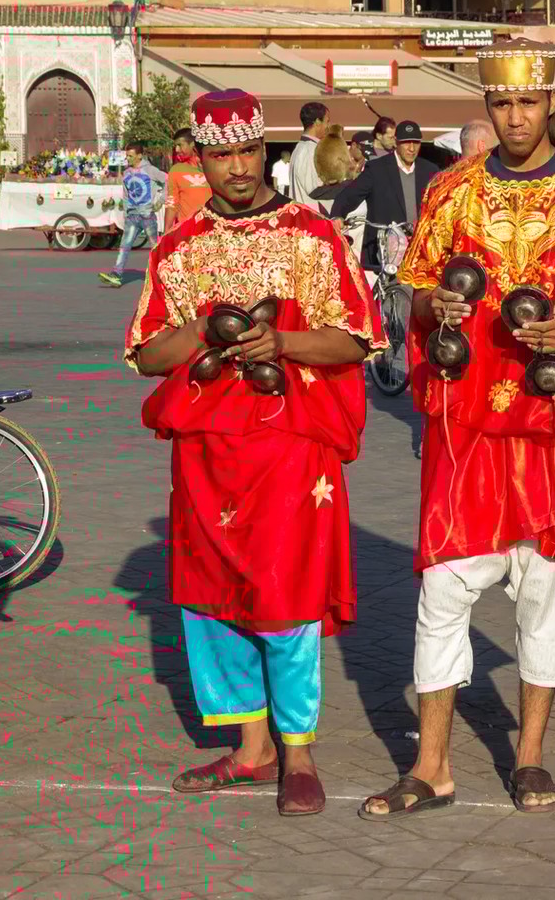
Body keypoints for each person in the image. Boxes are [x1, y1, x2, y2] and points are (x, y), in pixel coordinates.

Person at [360, 41, 555, 821]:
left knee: (549, 599)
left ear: (550, 101)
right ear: (486, 106)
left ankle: (529, 756)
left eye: (527, 103)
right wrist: (435, 311)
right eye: (500, 104)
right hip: (470, 434)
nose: (514, 117)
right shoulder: (451, 190)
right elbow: (416, 295)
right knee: (443, 592)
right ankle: (432, 765)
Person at [124, 89, 385, 816]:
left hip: (290, 447)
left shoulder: (314, 235)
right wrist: (204, 330)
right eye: (219, 154)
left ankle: (297, 752)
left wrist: (283, 343)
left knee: (287, 592)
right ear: (199, 157)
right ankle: (250, 747)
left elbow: (356, 339)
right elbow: (146, 355)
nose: (236, 168)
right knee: (212, 601)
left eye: (246, 150)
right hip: (206, 453)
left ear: (264, 149)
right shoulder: (177, 248)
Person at [329, 120, 439, 275]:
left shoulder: (430, 170)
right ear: (396, 142)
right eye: (406, 143)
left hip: (420, 250)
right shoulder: (377, 169)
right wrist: (337, 215)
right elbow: (348, 195)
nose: (412, 148)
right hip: (384, 250)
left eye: (416, 143)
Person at [99, 142, 165, 288]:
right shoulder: (127, 173)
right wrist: (126, 212)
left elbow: (168, 181)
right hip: (132, 216)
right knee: (124, 246)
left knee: (154, 247)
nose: (127, 158)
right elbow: (126, 194)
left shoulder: (151, 170)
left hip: (147, 215)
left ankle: (161, 275)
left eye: (130, 156)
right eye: (126, 155)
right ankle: (116, 274)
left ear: (140, 156)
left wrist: (161, 200)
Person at [164, 128, 209, 233]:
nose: (177, 150)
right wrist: (166, 231)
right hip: (186, 233)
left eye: (180, 145)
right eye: (176, 146)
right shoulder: (176, 170)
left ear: (192, 144)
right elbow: (172, 202)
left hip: (211, 232)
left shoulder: (212, 168)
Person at [288, 102, 330, 204]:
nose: (329, 126)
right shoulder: (310, 150)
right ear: (317, 122)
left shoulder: (301, 148)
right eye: (327, 121)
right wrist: (346, 186)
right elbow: (314, 190)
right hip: (313, 217)